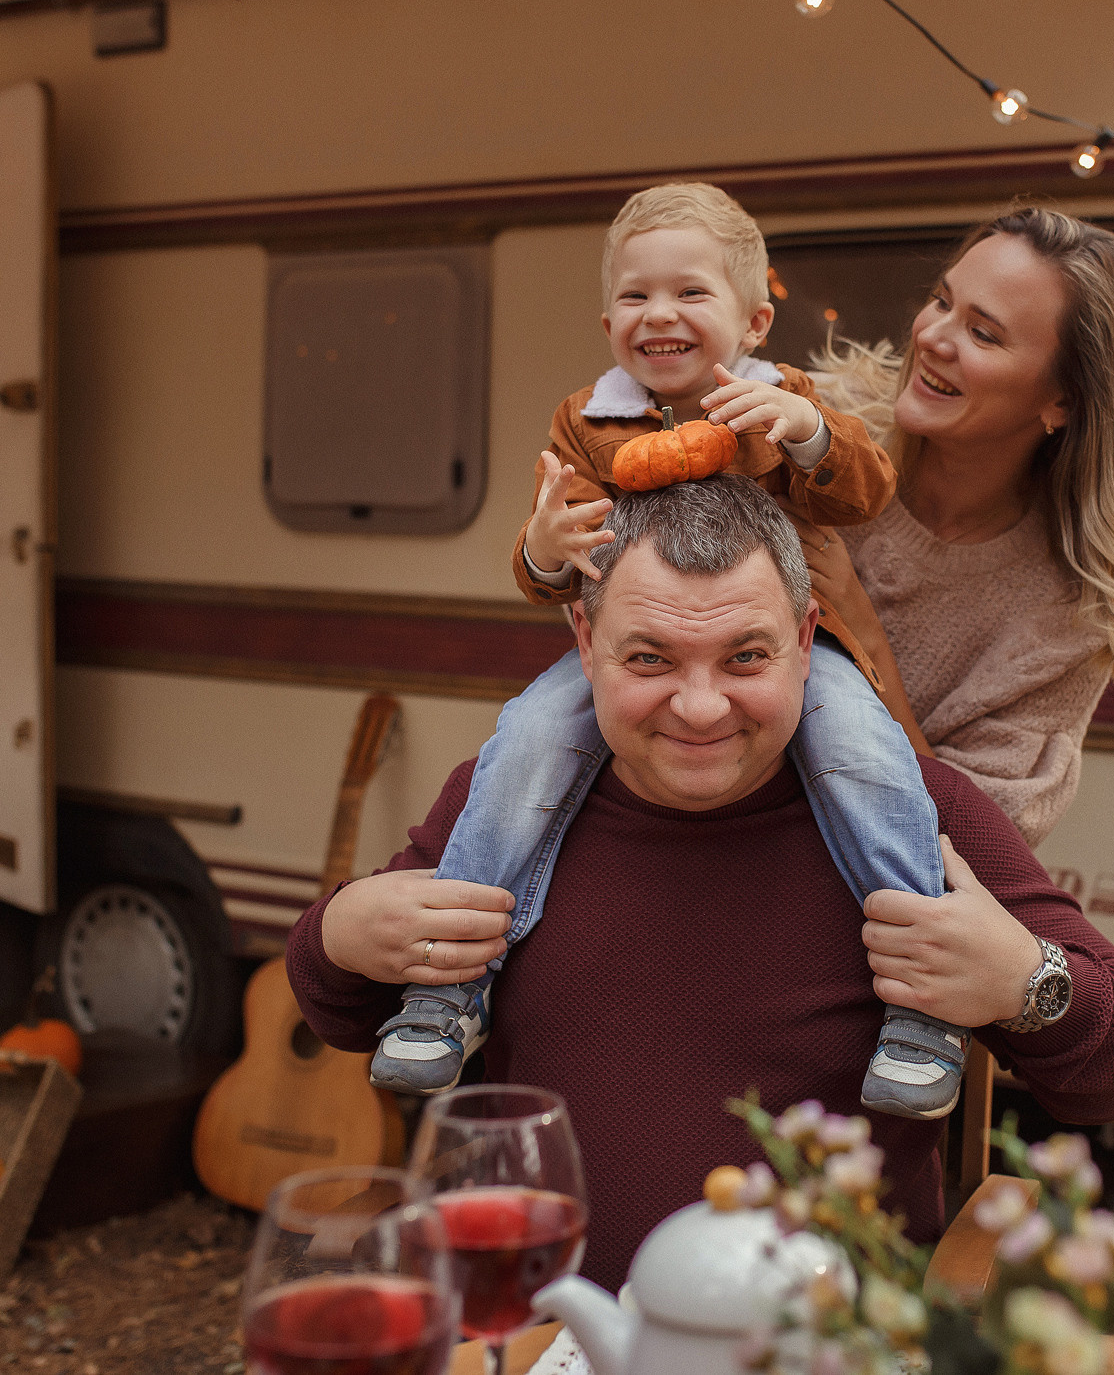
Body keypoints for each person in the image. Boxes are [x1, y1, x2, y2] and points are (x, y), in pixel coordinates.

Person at [285, 476, 1114, 1291]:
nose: (702, 707)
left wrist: (1028, 983)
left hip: (823, 1341)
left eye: (745, 657)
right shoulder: (506, 809)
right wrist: (336, 935)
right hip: (557, 1330)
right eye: (651, 660)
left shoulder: (920, 815)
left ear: (805, 640)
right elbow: (352, 1018)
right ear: (585, 643)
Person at [367, 183, 974, 1121]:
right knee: (527, 736)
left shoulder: (779, 399)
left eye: (690, 293)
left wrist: (810, 440)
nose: (661, 315)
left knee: (859, 747)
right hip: (633, 655)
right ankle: (449, 990)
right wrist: (544, 550)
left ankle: (923, 998)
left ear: (754, 317)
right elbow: (551, 565)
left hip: (776, 657)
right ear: (607, 319)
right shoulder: (587, 421)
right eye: (637, 297)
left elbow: (866, 494)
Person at [814, 206, 1114, 845]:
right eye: (941, 301)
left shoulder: (1071, 611)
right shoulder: (819, 443)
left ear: (1063, 400)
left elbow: (971, 843)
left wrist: (861, 629)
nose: (931, 337)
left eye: (984, 335)